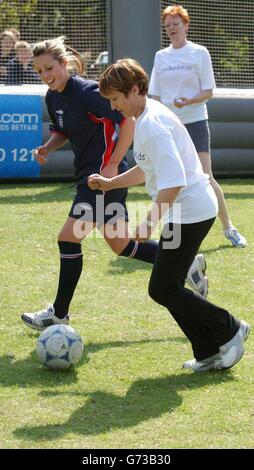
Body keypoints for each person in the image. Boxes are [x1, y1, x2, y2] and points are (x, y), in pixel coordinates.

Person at [20, 36, 206, 331]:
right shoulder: (53, 97)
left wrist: (113, 162)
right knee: (120, 245)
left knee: (68, 238)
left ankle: (59, 313)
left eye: (49, 68)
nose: (45, 75)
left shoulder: (88, 92)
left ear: (64, 63)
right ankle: (186, 262)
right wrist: (47, 147)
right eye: (39, 70)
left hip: (101, 180)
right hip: (91, 177)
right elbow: (63, 132)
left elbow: (127, 121)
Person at [87, 58, 250, 372]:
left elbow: (173, 182)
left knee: (163, 287)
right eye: (110, 101)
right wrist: (111, 182)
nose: (114, 106)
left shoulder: (151, 124)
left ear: (135, 89)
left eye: (116, 99)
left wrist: (147, 223)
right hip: (188, 210)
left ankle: (229, 327)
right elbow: (150, 170)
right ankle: (208, 352)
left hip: (191, 210)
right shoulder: (147, 116)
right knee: (167, 286)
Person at [148, 4, 246, 248]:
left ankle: (229, 228)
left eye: (175, 24)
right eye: (167, 25)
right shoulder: (161, 56)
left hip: (195, 121)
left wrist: (189, 101)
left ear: (186, 25)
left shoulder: (199, 52)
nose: (171, 28)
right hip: (168, 126)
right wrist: (158, 118)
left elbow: (208, 91)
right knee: (167, 179)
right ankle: (168, 235)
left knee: (206, 176)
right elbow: (155, 96)